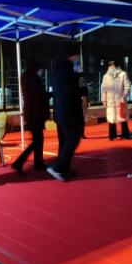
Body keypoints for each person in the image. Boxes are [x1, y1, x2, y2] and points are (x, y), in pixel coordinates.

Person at [47, 44, 84, 182]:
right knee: (73, 138)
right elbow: (70, 90)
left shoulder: (56, 68)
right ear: (72, 55)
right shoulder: (68, 69)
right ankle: (58, 167)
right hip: (68, 111)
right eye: (76, 56)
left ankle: (64, 169)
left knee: (64, 140)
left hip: (60, 111)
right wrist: (79, 81)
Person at [11, 59, 49, 175]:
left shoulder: (26, 78)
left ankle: (38, 163)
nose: (41, 71)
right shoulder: (33, 80)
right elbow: (39, 96)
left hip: (31, 114)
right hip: (35, 114)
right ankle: (20, 162)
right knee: (37, 140)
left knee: (38, 140)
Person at [101, 60, 131, 140]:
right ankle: (112, 135)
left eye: (112, 65)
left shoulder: (123, 74)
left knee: (122, 116)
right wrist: (104, 100)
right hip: (110, 100)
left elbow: (127, 85)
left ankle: (125, 134)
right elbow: (103, 89)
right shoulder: (106, 76)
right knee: (111, 117)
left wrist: (124, 96)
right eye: (110, 65)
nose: (111, 67)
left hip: (120, 99)